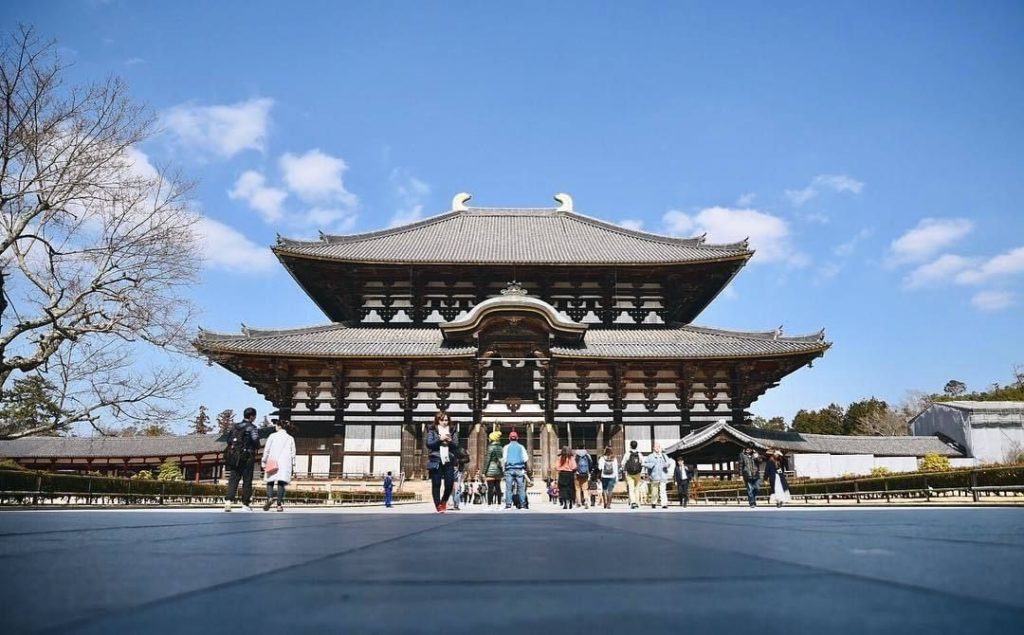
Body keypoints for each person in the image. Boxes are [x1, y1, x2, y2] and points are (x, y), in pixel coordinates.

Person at [224, 407, 260, 512]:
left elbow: (228, 440)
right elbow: (256, 442)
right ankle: (245, 503)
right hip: (247, 456)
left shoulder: (235, 427)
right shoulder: (252, 428)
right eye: (254, 416)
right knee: (247, 480)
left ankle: (228, 501)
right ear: (252, 416)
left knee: (233, 478)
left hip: (235, 456)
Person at [426, 411, 459, 513]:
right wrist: (440, 439)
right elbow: (429, 444)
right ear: (437, 420)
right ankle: (438, 505)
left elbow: (456, 445)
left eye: (446, 420)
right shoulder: (432, 431)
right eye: (442, 420)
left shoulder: (453, 431)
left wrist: (449, 441)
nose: (444, 422)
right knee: (436, 484)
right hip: (436, 459)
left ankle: (444, 500)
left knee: (449, 484)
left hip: (448, 459)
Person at [261, 418, 296, 512]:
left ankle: (269, 498)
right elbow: (293, 454)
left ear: (279, 426)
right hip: (285, 463)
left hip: (272, 460)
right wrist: (293, 465)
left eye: (276, 425)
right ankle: (279, 505)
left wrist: (264, 461)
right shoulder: (290, 438)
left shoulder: (272, 436)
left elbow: (267, 449)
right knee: (281, 483)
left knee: (270, 481)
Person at [502, 430, 529, 510]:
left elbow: (504, 459)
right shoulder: (521, 447)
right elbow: (525, 458)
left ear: (509, 438)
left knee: (509, 488)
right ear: (517, 438)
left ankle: (508, 505)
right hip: (519, 469)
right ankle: (522, 505)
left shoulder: (506, 447)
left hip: (509, 469)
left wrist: (504, 468)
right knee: (521, 488)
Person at [643, 444, 671, 509]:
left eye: (658, 447)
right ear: (653, 448)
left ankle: (664, 504)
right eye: (656, 447)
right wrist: (651, 465)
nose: (657, 448)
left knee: (663, 490)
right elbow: (644, 463)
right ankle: (654, 502)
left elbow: (669, 463)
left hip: (663, 475)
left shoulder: (664, 455)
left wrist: (666, 465)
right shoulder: (650, 456)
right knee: (654, 491)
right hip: (654, 476)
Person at [738, 441, 764, 508]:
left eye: (749, 448)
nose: (748, 449)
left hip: (756, 474)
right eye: (747, 448)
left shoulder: (756, 454)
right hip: (747, 474)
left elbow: (760, 462)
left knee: (757, 488)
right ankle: (752, 502)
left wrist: (757, 457)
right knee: (750, 489)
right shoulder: (742, 455)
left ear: (752, 449)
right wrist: (740, 475)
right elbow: (740, 465)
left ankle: (753, 499)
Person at [483, 430, 504, 508]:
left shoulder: (490, 448)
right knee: (498, 487)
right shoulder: (501, 448)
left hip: (490, 470)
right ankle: (499, 504)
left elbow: (487, 460)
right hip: (498, 470)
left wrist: (484, 471)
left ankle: (489, 504)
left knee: (490, 488)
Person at [621, 440, 645, 509]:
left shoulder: (627, 454)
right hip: (637, 473)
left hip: (629, 473)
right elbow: (643, 462)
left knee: (631, 488)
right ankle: (637, 502)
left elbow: (623, 463)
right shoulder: (639, 454)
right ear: (636, 446)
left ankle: (633, 502)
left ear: (630, 446)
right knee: (637, 488)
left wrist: (623, 469)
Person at [573, 443, 592, 509]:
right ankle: (586, 501)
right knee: (585, 489)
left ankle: (579, 502)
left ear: (577, 447)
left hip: (577, 474)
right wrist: (588, 471)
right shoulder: (587, 455)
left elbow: (573, 464)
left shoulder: (575, 455)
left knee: (577, 489)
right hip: (585, 474)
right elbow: (591, 464)